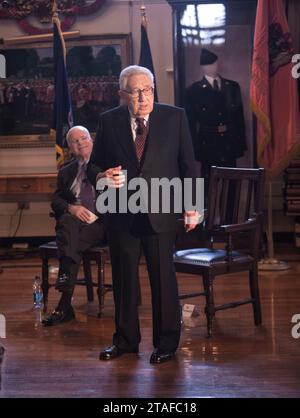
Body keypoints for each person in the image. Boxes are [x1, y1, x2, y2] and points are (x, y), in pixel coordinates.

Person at [88, 65, 199, 364]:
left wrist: (193, 205)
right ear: (122, 94)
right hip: (121, 212)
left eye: (147, 90)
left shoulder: (174, 117)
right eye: (135, 92)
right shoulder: (108, 121)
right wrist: (103, 178)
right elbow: (93, 165)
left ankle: (166, 344)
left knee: (163, 281)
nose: (142, 97)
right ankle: (125, 341)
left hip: (160, 211)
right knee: (124, 281)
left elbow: (189, 164)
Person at [42, 126, 106, 326]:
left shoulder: (104, 166)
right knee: (69, 222)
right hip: (75, 226)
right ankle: (64, 303)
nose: (79, 143)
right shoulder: (66, 171)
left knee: (68, 236)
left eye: (83, 138)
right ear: (69, 147)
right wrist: (72, 208)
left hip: (100, 224)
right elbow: (56, 200)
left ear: (92, 140)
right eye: (74, 141)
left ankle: (64, 293)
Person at [185, 48, 247, 198]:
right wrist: (194, 149)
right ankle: (209, 220)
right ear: (202, 67)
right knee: (208, 187)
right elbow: (191, 123)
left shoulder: (232, 87)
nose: (212, 67)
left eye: (214, 64)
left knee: (232, 186)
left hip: (229, 142)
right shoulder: (194, 90)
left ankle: (230, 221)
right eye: (208, 65)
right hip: (208, 144)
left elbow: (239, 118)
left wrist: (241, 145)